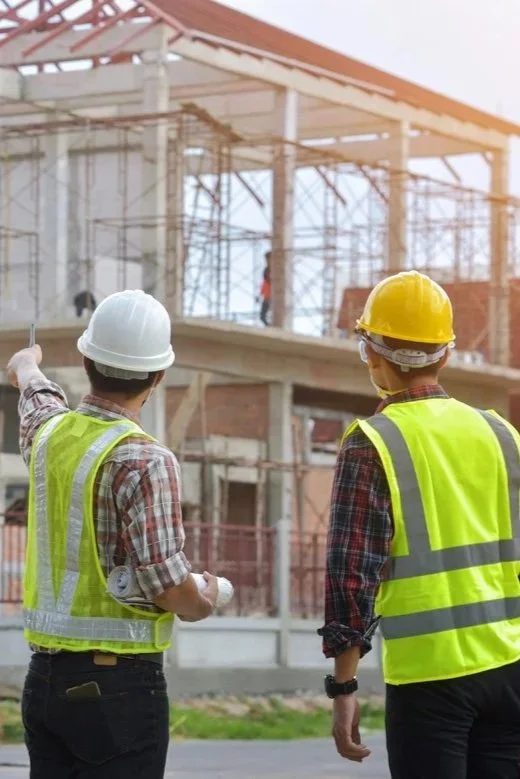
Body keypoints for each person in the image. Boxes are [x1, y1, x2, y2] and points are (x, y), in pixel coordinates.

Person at [7, 289, 220, 779]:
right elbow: (167, 586)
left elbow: (37, 401)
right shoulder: (148, 461)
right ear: (160, 375)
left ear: (86, 360)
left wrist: (26, 368)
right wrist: (204, 599)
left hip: (44, 684)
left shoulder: (48, 438)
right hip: (118, 689)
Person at [319, 270, 520, 779]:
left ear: (372, 354)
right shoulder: (501, 433)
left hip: (431, 683)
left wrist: (344, 689)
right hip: (510, 672)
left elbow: (351, 577)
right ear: (446, 354)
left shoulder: (372, 442)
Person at [259, 252, 271, 326]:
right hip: (267, 296)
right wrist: (261, 293)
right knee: (262, 316)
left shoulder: (275, 270)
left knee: (265, 316)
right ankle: (269, 326)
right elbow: (265, 282)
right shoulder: (266, 270)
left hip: (272, 296)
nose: (266, 261)